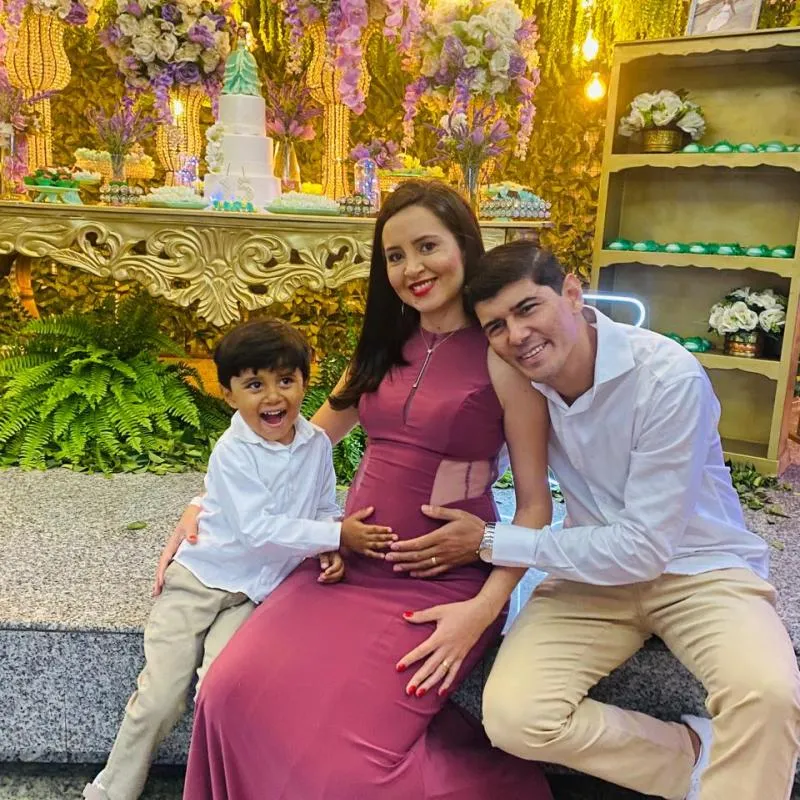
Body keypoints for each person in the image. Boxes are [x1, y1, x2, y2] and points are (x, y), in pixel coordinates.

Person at [171, 181, 554, 799]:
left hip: (445, 585)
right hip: (345, 566)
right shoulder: (381, 348)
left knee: (342, 774)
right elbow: (298, 442)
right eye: (395, 256)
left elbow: (536, 506)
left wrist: (480, 612)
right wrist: (205, 503)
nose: (412, 268)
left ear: (464, 243)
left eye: (427, 246)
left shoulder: (502, 356)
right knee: (226, 694)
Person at [413, 240, 800, 800]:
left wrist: (496, 540)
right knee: (515, 717)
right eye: (496, 326)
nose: (517, 335)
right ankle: (695, 758)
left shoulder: (666, 376)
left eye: (527, 308)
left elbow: (644, 548)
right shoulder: (522, 382)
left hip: (698, 567)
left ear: (572, 293)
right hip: (590, 578)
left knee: (768, 694)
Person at [84, 319, 394, 800]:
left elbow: (321, 506)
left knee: (222, 688)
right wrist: (337, 534)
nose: (273, 397)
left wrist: (329, 543)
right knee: (160, 697)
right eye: (254, 385)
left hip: (254, 592)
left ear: (305, 382)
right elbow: (256, 529)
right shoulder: (233, 451)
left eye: (286, 380)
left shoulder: (315, 445)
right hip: (200, 579)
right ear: (228, 394)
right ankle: (110, 790)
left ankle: (219, 787)